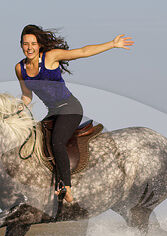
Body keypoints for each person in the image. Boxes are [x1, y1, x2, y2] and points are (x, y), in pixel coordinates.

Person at [15, 24, 133, 202]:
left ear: (39, 45)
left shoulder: (51, 57)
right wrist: (18, 106)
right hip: (52, 112)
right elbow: (27, 96)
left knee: (57, 141)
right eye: (26, 44)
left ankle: (66, 188)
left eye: (33, 43)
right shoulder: (19, 68)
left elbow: (84, 52)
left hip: (70, 108)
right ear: (21, 45)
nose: (29, 47)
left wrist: (112, 44)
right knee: (34, 141)